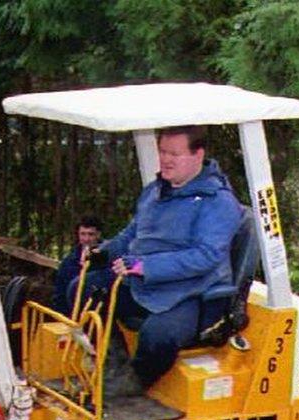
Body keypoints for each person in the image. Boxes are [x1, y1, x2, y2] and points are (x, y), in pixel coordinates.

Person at [86, 126, 242, 397]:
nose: (166, 159)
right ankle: (114, 367)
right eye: (162, 152)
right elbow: (132, 233)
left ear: (198, 155)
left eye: (175, 153)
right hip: (146, 285)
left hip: (192, 294)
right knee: (85, 289)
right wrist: (104, 252)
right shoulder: (155, 191)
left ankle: (132, 385)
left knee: (158, 335)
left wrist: (145, 266)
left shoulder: (217, 202)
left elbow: (205, 256)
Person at [53, 216, 104, 315]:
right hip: (74, 314)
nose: (86, 239)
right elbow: (60, 295)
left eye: (91, 234)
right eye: (83, 234)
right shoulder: (68, 262)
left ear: (98, 234)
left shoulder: (110, 256)